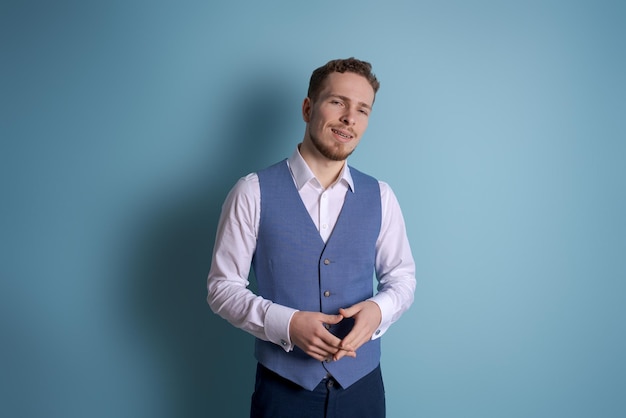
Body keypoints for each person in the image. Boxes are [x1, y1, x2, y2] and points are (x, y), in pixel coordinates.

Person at [207, 57, 416, 418]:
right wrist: (286, 323)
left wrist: (378, 311)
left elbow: (402, 279)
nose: (350, 118)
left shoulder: (381, 196)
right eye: (338, 102)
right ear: (308, 108)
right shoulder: (252, 192)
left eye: (362, 109)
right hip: (282, 391)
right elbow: (222, 287)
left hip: (362, 389)